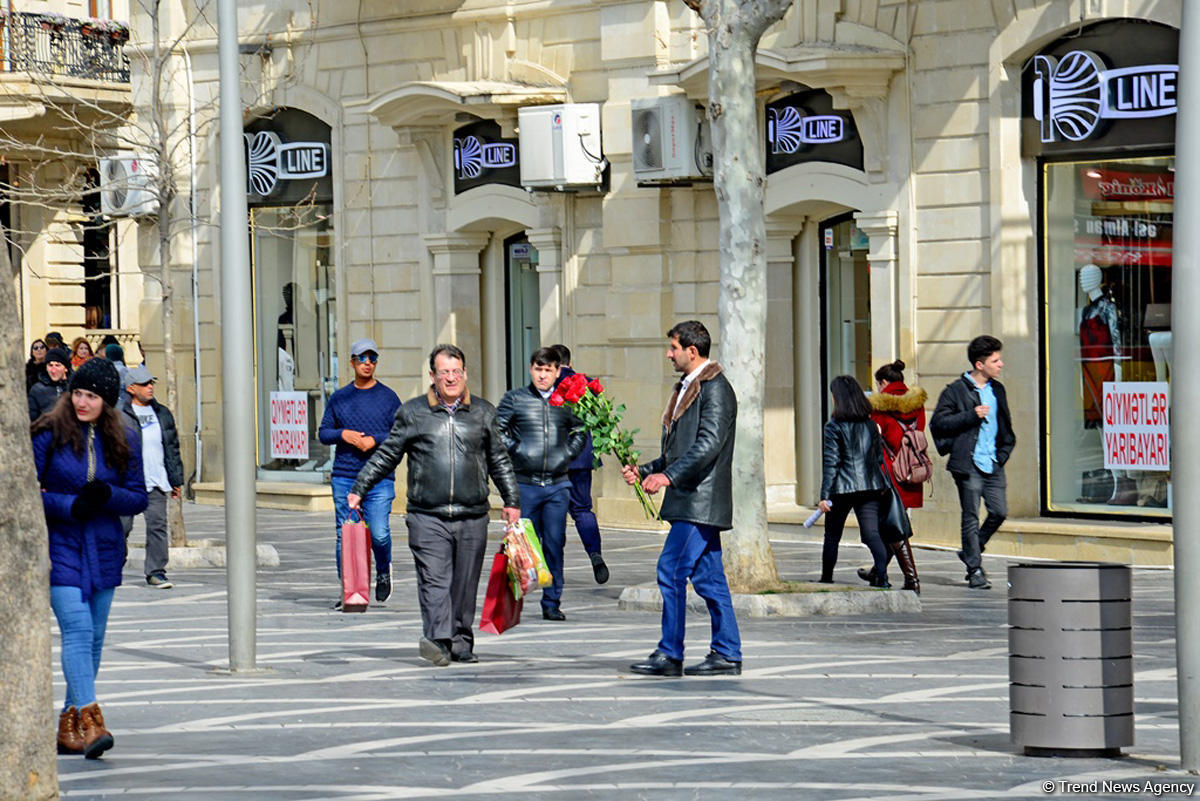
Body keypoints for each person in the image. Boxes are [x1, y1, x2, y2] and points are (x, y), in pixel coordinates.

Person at [349, 344, 520, 666]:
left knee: (465, 582)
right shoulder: (413, 412)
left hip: (473, 514)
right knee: (434, 579)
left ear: (465, 373)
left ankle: (461, 640)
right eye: (445, 372)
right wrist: (360, 487)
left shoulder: (483, 412)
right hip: (427, 515)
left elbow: (499, 459)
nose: (451, 378)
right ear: (433, 376)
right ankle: (439, 640)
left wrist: (511, 501)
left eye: (456, 371)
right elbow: (388, 454)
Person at [33, 358, 148, 759]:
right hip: (60, 544)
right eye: (78, 393)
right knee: (78, 630)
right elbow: (28, 490)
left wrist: (107, 496)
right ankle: (91, 719)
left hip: (103, 547)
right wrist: (69, 506)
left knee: (94, 639)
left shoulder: (126, 437)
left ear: (108, 401)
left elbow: (139, 496)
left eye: (92, 396)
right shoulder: (49, 431)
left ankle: (68, 728)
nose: (82, 402)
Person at [623, 321, 742, 677]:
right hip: (691, 499)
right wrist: (645, 470)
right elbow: (679, 450)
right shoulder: (689, 388)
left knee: (670, 570)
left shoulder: (715, 389)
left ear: (693, 351)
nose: (668, 354)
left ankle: (670, 652)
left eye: (674, 348)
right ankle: (727, 653)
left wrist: (667, 476)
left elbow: (708, 446)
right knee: (709, 581)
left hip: (699, 502)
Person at [497, 347, 587, 621]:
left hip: (558, 485)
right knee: (520, 543)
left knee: (555, 542)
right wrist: (519, 449)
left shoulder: (567, 401)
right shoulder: (515, 399)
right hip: (526, 483)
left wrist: (568, 453)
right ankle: (514, 596)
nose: (543, 375)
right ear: (530, 369)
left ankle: (552, 601)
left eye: (548, 370)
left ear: (558, 371)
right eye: (538, 369)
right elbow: (497, 430)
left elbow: (582, 429)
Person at [318, 338, 401, 606]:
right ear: (352, 362)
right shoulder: (340, 397)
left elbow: (401, 434)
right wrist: (344, 434)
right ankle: (349, 589)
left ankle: (383, 570)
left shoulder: (389, 398)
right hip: (345, 476)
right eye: (362, 358)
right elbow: (323, 433)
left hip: (379, 476)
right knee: (345, 534)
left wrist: (373, 440)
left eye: (372, 358)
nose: (367, 363)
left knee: (378, 532)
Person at [929, 335, 1015, 590]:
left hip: (993, 462)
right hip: (968, 465)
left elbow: (1006, 427)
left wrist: (1003, 453)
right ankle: (974, 569)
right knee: (970, 516)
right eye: (995, 360)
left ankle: (971, 549)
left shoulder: (997, 390)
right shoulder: (955, 390)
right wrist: (970, 416)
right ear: (980, 364)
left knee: (999, 511)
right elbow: (938, 423)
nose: (1001, 364)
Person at [858, 359, 926, 593]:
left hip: (889, 472)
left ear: (883, 383)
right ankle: (878, 571)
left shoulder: (878, 407)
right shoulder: (918, 404)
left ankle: (912, 580)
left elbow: (873, 440)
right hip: (912, 470)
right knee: (895, 524)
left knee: (894, 527)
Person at [817, 375, 892, 588]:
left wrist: (824, 495)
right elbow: (878, 458)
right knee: (872, 534)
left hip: (842, 488)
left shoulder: (834, 427)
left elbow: (832, 462)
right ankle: (882, 577)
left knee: (832, 535)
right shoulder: (870, 425)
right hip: (870, 486)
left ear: (837, 398)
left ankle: (827, 577)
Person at [117, 365, 185, 589]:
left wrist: (176, 480)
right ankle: (115, 562)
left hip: (156, 479)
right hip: (128, 483)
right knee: (121, 527)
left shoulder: (162, 413)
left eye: (151, 383)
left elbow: (172, 447)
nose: (150, 387)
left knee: (157, 525)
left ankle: (156, 571)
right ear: (131, 388)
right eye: (144, 384)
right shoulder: (119, 415)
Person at [550, 343, 609, 584]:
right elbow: (601, 419)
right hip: (582, 458)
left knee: (552, 513)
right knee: (583, 509)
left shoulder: (546, 385)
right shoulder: (587, 384)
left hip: (554, 459)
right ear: (570, 363)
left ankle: (554, 567)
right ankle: (595, 554)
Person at [29, 347, 71, 421]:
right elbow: (32, 419)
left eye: (57, 365)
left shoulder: (74, 388)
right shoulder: (37, 390)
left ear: (66, 368)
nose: (53, 370)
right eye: (50, 365)